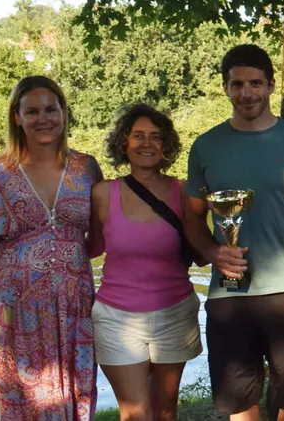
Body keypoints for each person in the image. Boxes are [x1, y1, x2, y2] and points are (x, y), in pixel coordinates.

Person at [182, 45, 284, 420]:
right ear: (226, 88)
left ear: (271, 86)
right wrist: (213, 252)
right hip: (229, 298)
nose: (246, 93)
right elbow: (192, 220)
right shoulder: (205, 147)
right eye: (237, 84)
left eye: (255, 83)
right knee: (239, 407)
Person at [0, 75, 102, 420]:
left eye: (51, 109)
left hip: (73, 301)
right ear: (16, 117)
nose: (44, 118)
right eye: (32, 111)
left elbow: (99, 238)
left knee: (74, 391)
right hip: (10, 306)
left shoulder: (86, 168)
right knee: (15, 398)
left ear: (64, 113)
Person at [87, 104, 203, 421]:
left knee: (165, 411)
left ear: (166, 145)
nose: (147, 143)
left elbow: (202, 250)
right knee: (137, 413)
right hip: (116, 318)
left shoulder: (184, 191)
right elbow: (92, 249)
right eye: (138, 136)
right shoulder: (102, 194)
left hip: (175, 312)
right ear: (123, 143)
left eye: (155, 136)